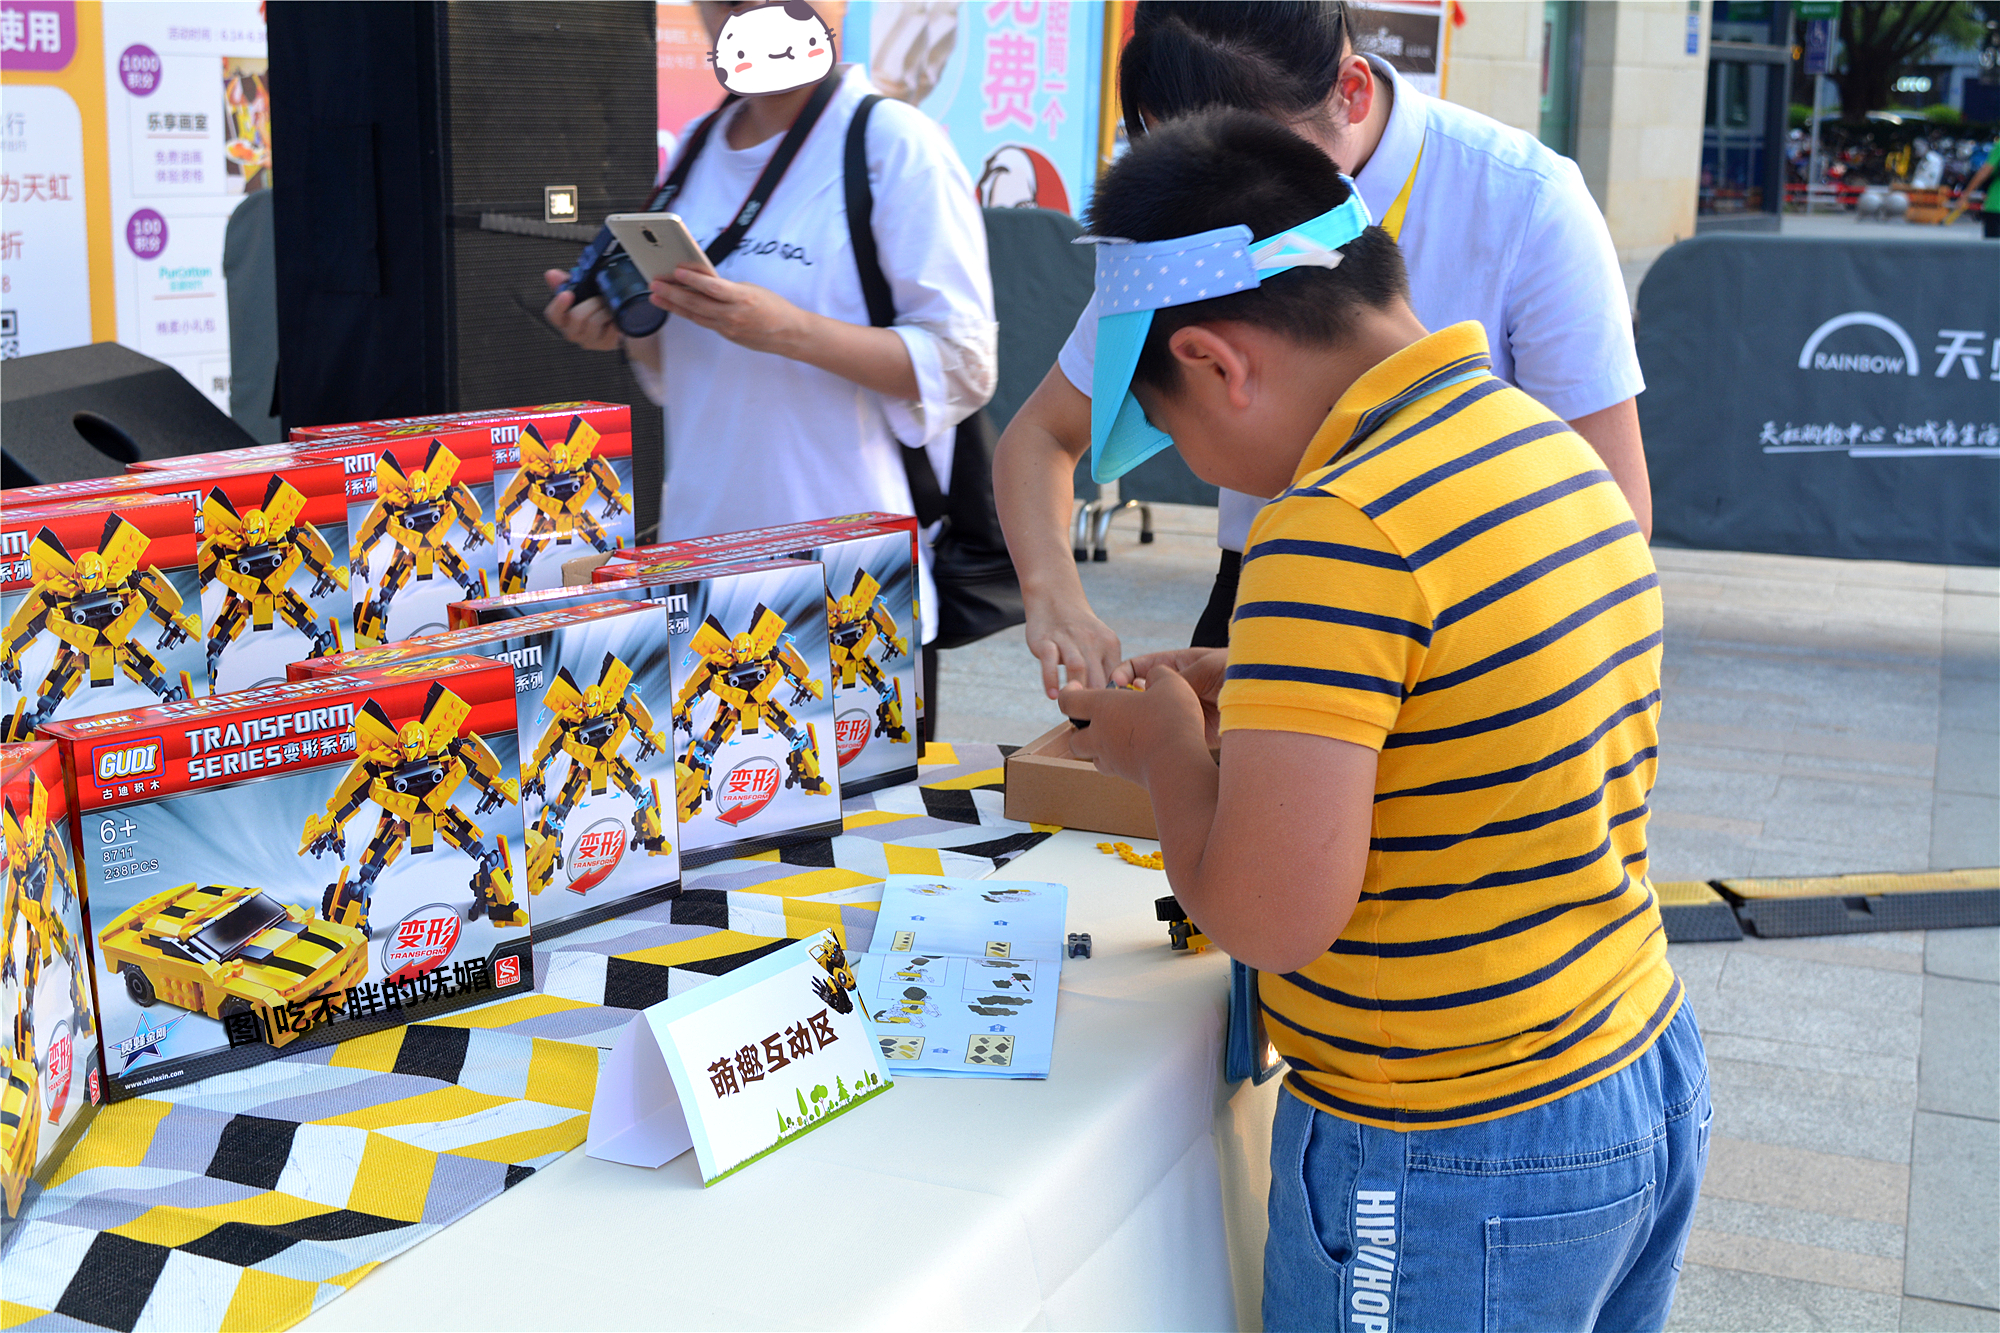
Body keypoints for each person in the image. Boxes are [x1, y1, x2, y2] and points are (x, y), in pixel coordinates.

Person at [1056, 109, 1706, 1332]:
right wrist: (1272, 690)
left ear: (1214, 361)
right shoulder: (1538, 448)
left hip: (1450, 1145)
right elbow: (1468, 714)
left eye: (1175, 435)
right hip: (1630, 1066)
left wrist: (1167, 753)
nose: (1201, 467)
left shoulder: (1332, 527)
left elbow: (1268, 915)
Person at [995, 0, 1651, 696]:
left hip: (1470, 619)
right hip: (1269, 588)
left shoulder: (1524, 201)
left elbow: (1612, 519)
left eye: (1252, 159)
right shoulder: (1194, 226)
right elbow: (1041, 434)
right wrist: (1055, 596)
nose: (1224, 205)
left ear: (1352, 92)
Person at [543, 0, 996, 699]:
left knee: (871, 812)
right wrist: (618, 326)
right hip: (700, 586)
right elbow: (681, 378)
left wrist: (789, 330)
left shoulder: (893, 143)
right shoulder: (695, 146)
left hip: (850, 592)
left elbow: (965, 363)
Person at [1964, 137, 1999, 238]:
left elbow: (1985, 172)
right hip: (1995, 205)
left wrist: (1965, 195)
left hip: (1996, 206)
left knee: (1993, 251)